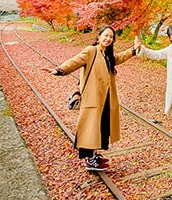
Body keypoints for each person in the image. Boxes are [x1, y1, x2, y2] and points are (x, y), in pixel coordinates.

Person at [43, 25, 138, 171]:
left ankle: (94, 154)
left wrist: (133, 50)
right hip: (92, 98)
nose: (108, 39)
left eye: (111, 37)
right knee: (91, 127)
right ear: (99, 36)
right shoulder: (91, 51)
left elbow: (119, 58)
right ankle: (89, 159)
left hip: (105, 97)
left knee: (102, 126)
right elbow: (74, 61)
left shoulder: (107, 54)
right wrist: (59, 70)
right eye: (105, 35)